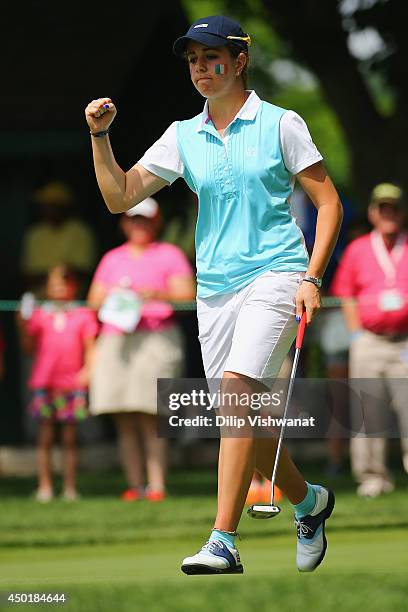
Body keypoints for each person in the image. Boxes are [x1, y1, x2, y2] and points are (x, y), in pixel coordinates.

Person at [84, 15, 343, 574]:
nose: (201, 67)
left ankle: (223, 539)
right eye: (194, 60)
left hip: (276, 274)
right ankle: (309, 501)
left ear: (239, 58)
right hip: (215, 290)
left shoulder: (282, 123)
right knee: (248, 415)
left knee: (234, 396)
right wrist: (100, 138)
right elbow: (120, 197)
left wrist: (313, 276)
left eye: (212, 56)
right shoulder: (182, 135)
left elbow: (328, 204)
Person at [87, 197, 195, 501]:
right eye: (134, 220)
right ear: (125, 224)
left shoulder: (170, 254)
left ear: (156, 222)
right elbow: (93, 301)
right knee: (124, 416)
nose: (139, 225)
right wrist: (116, 295)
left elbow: (187, 294)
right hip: (118, 339)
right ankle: (134, 486)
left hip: (156, 338)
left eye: (145, 220)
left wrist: (154, 294)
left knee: (152, 414)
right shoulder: (112, 259)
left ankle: (157, 485)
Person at [331, 183, 408, 497]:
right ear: (374, 213)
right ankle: (372, 478)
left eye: (394, 208)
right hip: (370, 340)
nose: (388, 214)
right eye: (382, 208)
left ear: (402, 213)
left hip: (405, 341)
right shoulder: (358, 248)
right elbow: (346, 293)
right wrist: (357, 334)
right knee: (367, 412)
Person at [17, 264, 98, 501]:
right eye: (54, 284)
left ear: (74, 286)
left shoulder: (83, 313)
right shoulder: (40, 314)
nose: (59, 288)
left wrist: (88, 371)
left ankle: (70, 487)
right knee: (45, 437)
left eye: (64, 283)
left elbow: (90, 346)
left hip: (72, 384)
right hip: (45, 383)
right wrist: (22, 323)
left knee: (70, 438)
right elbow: (27, 347)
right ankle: (45, 486)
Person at [21, 181, 97, 294]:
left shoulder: (80, 232)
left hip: (72, 301)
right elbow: (27, 274)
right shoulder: (35, 233)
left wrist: (60, 276)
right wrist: (56, 275)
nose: (50, 209)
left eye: (55, 205)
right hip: (38, 301)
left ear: (66, 206)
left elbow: (85, 272)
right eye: (46, 205)